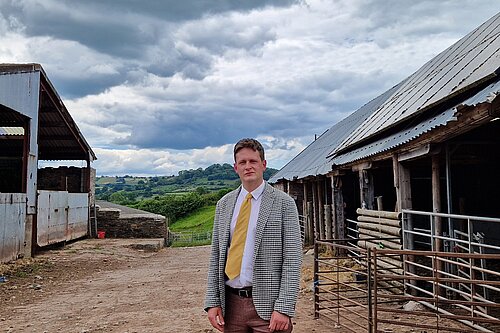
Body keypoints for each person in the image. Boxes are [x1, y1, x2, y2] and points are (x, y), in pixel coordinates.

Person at [205, 138, 302, 333]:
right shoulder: (223, 205)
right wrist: (212, 301)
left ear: (263, 165)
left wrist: (283, 307)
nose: (248, 167)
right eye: (242, 162)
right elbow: (216, 255)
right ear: (235, 168)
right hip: (231, 307)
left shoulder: (284, 204)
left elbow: (292, 259)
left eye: (253, 161)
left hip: (269, 309)